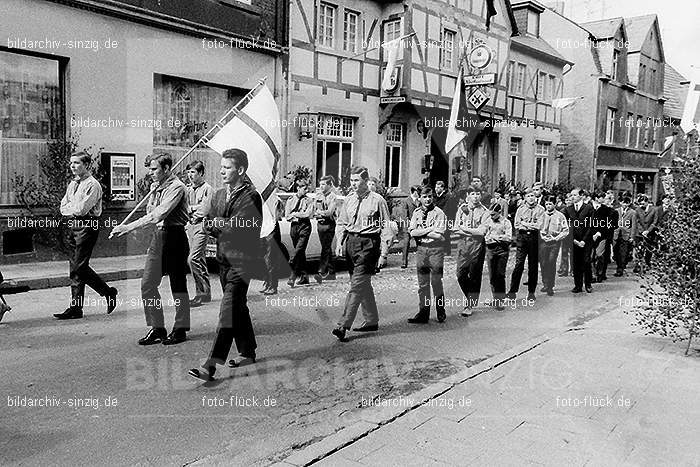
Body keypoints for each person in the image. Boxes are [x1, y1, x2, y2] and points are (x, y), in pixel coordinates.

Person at [188, 149, 263, 381]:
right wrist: (219, 224)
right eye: (221, 167)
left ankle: (210, 364)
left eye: (227, 167)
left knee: (228, 311)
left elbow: (243, 228)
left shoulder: (251, 196)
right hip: (223, 260)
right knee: (238, 307)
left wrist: (219, 224)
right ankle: (247, 351)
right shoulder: (219, 194)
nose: (221, 171)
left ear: (240, 170)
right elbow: (208, 223)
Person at [111, 153, 191, 345]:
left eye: (154, 169)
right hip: (159, 237)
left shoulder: (177, 187)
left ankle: (180, 329)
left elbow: (158, 215)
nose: (150, 173)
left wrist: (128, 227)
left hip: (175, 236)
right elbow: (151, 213)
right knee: (147, 284)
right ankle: (157, 328)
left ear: (166, 168)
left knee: (177, 285)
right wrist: (155, 191)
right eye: (149, 169)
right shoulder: (155, 187)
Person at [54, 151, 118, 320]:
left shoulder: (93, 185)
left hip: (87, 225)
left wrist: (71, 209)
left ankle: (106, 293)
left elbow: (82, 210)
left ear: (87, 165)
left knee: (78, 268)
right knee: (75, 266)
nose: (72, 166)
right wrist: (71, 210)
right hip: (73, 225)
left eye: (77, 163)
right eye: (71, 163)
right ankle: (78, 307)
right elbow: (63, 207)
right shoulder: (73, 184)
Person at [331, 167, 391, 341]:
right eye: (351, 180)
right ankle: (371, 320)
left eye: (357, 180)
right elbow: (341, 222)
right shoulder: (349, 199)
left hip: (368, 245)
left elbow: (387, 226)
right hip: (351, 243)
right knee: (362, 284)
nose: (353, 184)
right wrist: (340, 243)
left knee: (357, 286)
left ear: (366, 181)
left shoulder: (378, 200)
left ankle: (343, 325)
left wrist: (384, 254)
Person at [407, 186, 447, 324]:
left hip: (435, 250)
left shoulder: (439, 213)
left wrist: (421, 230)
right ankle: (423, 313)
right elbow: (412, 232)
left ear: (433, 197)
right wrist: (430, 229)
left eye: (430, 196)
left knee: (436, 282)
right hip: (422, 250)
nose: (428, 199)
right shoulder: (416, 212)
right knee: (423, 284)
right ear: (420, 198)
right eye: (425, 197)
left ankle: (441, 311)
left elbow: (439, 234)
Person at [453, 185, 490, 316]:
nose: (475, 197)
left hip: (477, 246)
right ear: (468, 195)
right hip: (463, 245)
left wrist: (465, 230)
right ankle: (471, 297)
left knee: (474, 275)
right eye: (473, 194)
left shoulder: (485, 211)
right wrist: (467, 230)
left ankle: (469, 304)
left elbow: (482, 232)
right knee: (460, 274)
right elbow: (456, 228)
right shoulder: (462, 209)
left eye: (478, 194)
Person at [506, 188, 545, 301]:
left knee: (533, 266)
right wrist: (529, 224)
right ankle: (512, 292)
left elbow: (540, 226)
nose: (531, 198)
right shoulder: (521, 209)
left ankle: (531, 293)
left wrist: (525, 223)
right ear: (525, 198)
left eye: (532, 195)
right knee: (519, 265)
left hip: (534, 238)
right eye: (528, 196)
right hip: (522, 238)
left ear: (535, 197)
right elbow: (517, 224)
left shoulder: (540, 209)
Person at [185, 161, 213, 307]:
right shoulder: (189, 189)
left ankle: (200, 294)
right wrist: (192, 209)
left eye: (193, 172)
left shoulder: (208, 189)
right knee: (200, 260)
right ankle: (206, 293)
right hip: (190, 226)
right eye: (189, 172)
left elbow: (204, 209)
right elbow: (185, 207)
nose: (190, 175)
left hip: (201, 226)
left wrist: (192, 209)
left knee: (193, 259)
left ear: (201, 173)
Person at [564, 188, 594, 293]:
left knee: (586, 261)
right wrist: (573, 240)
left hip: (586, 240)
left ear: (581, 196)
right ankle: (578, 285)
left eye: (575, 195)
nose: (572, 197)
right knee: (576, 262)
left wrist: (584, 240)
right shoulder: (568, 209)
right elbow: (565, 226)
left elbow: (591, 226)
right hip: (574, 240)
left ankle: (588, 284)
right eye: (571, 195)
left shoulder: (589, 208)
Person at [285, 179, 314, 287]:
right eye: (304, 188)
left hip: (305, 227)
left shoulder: (309, 200)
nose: (306, 191)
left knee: (297, 251)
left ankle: (293, 276)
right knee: (300, 253)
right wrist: (297, 214)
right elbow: (287, 216)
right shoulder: (290, 200)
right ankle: (304, 276)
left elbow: (308, 214)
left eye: (307, 188)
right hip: (294, 227)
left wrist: (295, 214)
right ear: (298, 188)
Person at [484, 202, 512, 310]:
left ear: (499, 212)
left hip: (502, 250)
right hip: (490, 250)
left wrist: (494, 237)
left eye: (493, 215)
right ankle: (495, 298)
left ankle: (500, 300)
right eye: (490, 214)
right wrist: (498, 237)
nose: (491, 217)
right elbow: (485, 236)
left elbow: (509, 238)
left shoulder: (506, 222)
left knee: (500, 275)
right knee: (492, 276)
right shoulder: (488, 221)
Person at [539, 196, 569, 296]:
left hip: (554, 242)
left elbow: (565, 230)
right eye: (546, 204)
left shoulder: (560, 216)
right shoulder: (542, 215)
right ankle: (545, 283)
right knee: (543, 262)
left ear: (555, 204)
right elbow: (537, 227)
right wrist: (542, 236)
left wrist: (556, 238)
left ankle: (550, 286)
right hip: (543, 241)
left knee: (551, 261)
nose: (548, 206)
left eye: (550, 204)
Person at [260, 195, 289, 295]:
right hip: (263, 231)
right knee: (264, 260)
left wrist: (275, 214)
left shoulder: (275, 200)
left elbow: (279, 215)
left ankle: (273, 286)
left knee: (271, 259)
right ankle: (267, 284)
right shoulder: (259, 200)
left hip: (272, 231)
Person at [313, 175, 338, 282]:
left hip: (329, 225)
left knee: (326, 248)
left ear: (329, 185)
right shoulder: (318, 196)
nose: (321, 186)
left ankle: (321, 271)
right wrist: (320, 214)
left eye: (323, 184)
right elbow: (313, 211)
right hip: (320, 225)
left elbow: (329, 212)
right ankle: (331, 273)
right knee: (326, 248)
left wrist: (321, 213)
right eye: (320, 184)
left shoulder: (333, 197)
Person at [632, 193, 658, 273]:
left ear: (647, 202)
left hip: (650, 234)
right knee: (638, 250)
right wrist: (641, 231)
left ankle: (647, 264)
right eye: (640, 204)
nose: (641, 205)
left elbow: (655, 221)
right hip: (639, 234)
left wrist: (648, 231)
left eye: (643, 203)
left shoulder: (654, 209)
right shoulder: (637, 210)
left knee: (648, 250)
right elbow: (636, 222)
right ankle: (637, 265)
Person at [396, 186, 421, 268]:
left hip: (419, 225)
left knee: (420, 243)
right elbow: (404, 215)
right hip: (408, 225)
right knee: (406, 243)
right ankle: (404, 262)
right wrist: (409, 226)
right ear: (414, 192)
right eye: (418, 192)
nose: (419, 194)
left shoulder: (420, 201)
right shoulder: (406, 201)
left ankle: (421, 261)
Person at [613, 196, 634, 276]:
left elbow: (633, 225)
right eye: (623, 202)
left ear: (629, 203)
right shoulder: (616, 211)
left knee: (623, 252)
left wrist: (631, 236)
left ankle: (620, 268)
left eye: (627, 203)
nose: (624, 204)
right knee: (616, 251)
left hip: (626, 234)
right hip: (616, 234)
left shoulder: (632, 212)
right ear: (620, 202)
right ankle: (619, 264)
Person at [433, 180, 455, 256]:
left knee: (446, 234)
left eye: (439, 187)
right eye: (436, 187)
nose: (437, 189)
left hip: (446, 218)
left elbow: (450, 209)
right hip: (436, 218)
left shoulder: (448, 197)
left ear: (443, 189)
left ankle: (447, 251)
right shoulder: (434, 197)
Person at [557, 193, 573, 277]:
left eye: (570, 200)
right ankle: (564, 269)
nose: (568, 202)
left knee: (573, 252)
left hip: (574, 232)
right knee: (564, 251)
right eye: (567, 200)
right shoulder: (563, 210)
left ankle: (573, 270)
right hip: (566, 232)